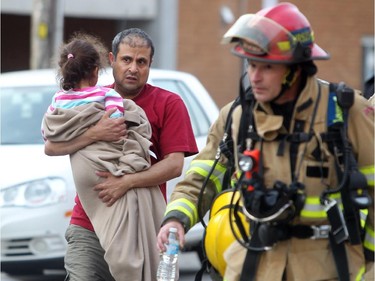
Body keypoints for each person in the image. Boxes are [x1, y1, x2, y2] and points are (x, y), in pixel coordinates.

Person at [157, 3, 374, 281]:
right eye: (251, 64)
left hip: (327, 266)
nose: (254, 77)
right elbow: (202, 177)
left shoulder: (346, 112)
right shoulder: (237, 116)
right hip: (252, 263)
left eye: (267, 67)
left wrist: (369, 267)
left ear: (295, 69)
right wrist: (176, 219)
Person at [44, 28, 198, 281]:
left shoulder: (169, 104)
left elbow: (174, 165)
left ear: (150, 65)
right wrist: (96, 134)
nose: (133, 68)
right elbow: (51, 147)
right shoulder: (89, 99)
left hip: (139, 226)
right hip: (88, 224)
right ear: (112, 59)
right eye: (127, 59)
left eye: (141, 62)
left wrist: (125, 182)